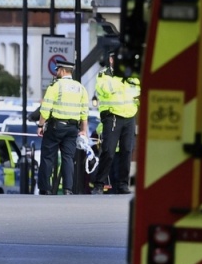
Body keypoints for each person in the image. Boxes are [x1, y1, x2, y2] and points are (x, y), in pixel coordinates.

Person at [36, 59, 89, 195]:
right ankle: (68, 189)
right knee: (68, 158)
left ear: (63, 70)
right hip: (72, 129)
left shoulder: (56, 86)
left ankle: (45, 188)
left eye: (58, 70)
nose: (57, 72)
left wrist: (40, 125)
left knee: (48, 157)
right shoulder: (80, 88)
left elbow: (45, 109)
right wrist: (83, 130)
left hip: (56, 127)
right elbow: (84, 112)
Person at [91, 53, 138, 195]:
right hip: (113, 116)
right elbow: (106, 89)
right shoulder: (103, 75)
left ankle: (123, 185)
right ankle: (99, 185)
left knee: (127, 151)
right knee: (108, 151)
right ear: (111, 60)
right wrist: (122, 83)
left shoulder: (130, 74)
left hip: (129, 116)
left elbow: (137, 90)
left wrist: (119, 85)